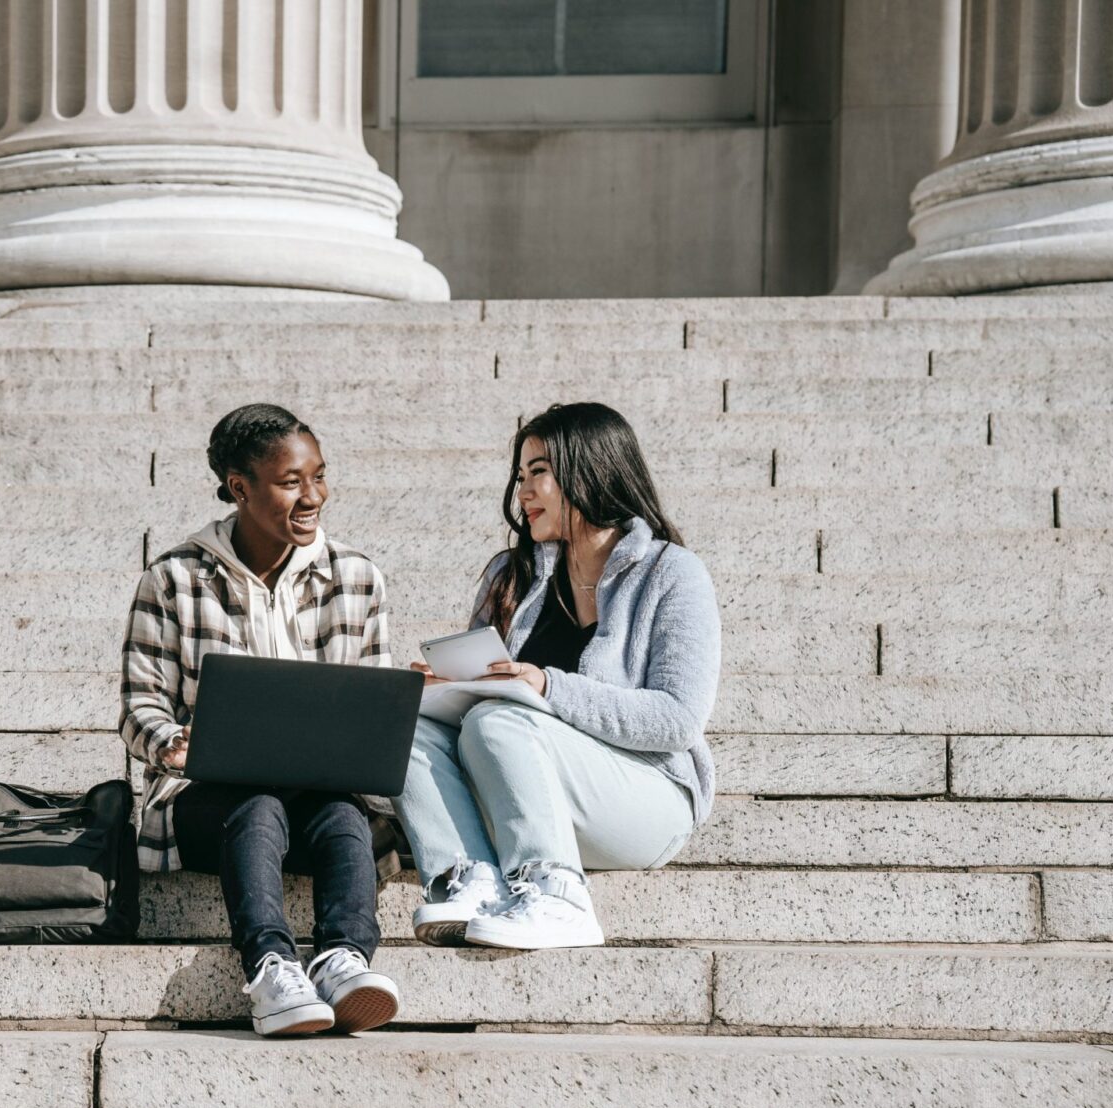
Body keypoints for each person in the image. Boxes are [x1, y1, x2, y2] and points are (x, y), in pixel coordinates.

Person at [396, 401, 720, 951]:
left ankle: (559, 899)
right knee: (406, 725)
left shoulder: (672, 574)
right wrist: (448, 685)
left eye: (539, 472)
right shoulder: (512, 574)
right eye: (519, 476)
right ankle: (469, 881)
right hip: (519, 789)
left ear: (589, 470)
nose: (522, 492)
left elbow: (678, 720)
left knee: (500, 721)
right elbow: (485, 698)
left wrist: (547, 685)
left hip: (646, 794)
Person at [120, 403, 402, 1037]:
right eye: (292, 482)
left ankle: (343, 959)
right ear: (240, 487)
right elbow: (139, 707)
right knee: (257, 803)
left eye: (319, 477)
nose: (313, 496)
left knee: (343, 814)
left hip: (321, 798)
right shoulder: (172, 580)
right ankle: (271, 966)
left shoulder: (357, 578)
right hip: (208, 808)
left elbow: (374, 700)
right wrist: (172, 745)